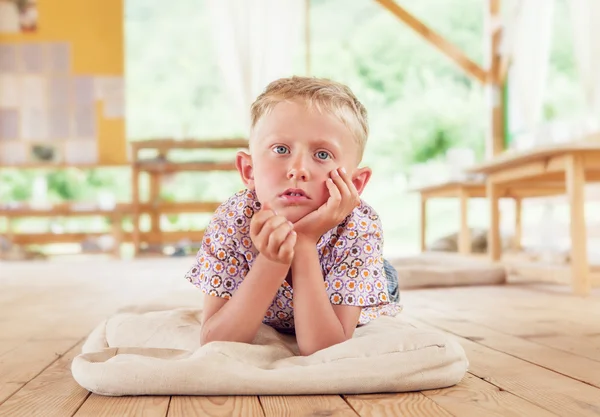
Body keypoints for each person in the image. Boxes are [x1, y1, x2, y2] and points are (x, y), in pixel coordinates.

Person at [184, 76, 401, 356]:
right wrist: (273, 259)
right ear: (248, 171)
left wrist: (304, 242)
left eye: (322, 154)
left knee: (384, 274)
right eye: (281, 149)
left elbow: (324, 349)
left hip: (368, 275)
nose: (297, 169)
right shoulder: (231, 220)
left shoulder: (360, 228)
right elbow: (216, 341)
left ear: (355, 184)